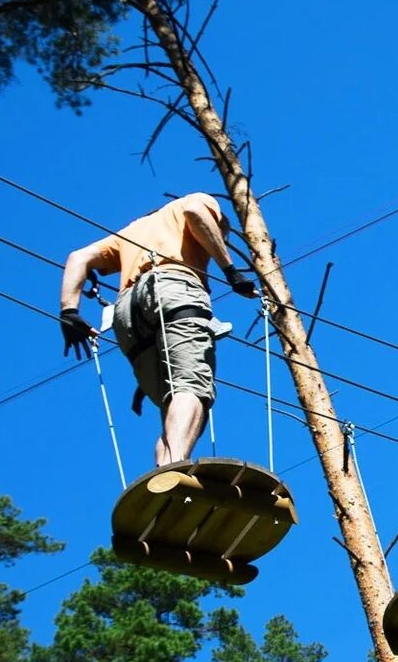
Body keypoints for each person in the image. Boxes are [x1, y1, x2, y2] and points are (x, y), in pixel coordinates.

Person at [58, 192, 258, 466]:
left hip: (126, 312)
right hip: (174, 287)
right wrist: (230, 271)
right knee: (191, 388)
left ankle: (164, 474)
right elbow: (194, 213)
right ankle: (175, 467)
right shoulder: (196, 202)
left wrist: (69, 311)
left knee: (171, 404)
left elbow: (78, 257)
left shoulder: (132, 231)